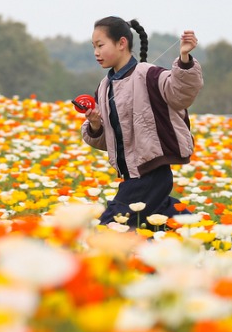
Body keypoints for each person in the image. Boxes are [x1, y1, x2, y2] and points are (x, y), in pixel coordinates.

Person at [81, 16, 203, 226]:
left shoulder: (149, 75)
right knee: (161, 221)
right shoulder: (104, 87)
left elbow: (181, 94)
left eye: (100, 45)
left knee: (111, 226)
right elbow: (108, 140)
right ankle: (199, 232)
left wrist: (184, 58)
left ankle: (196, 232)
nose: (96, 53)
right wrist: (95, 124)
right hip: (131, 175)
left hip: (151, 172)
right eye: (94, 47)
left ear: (121, 43)